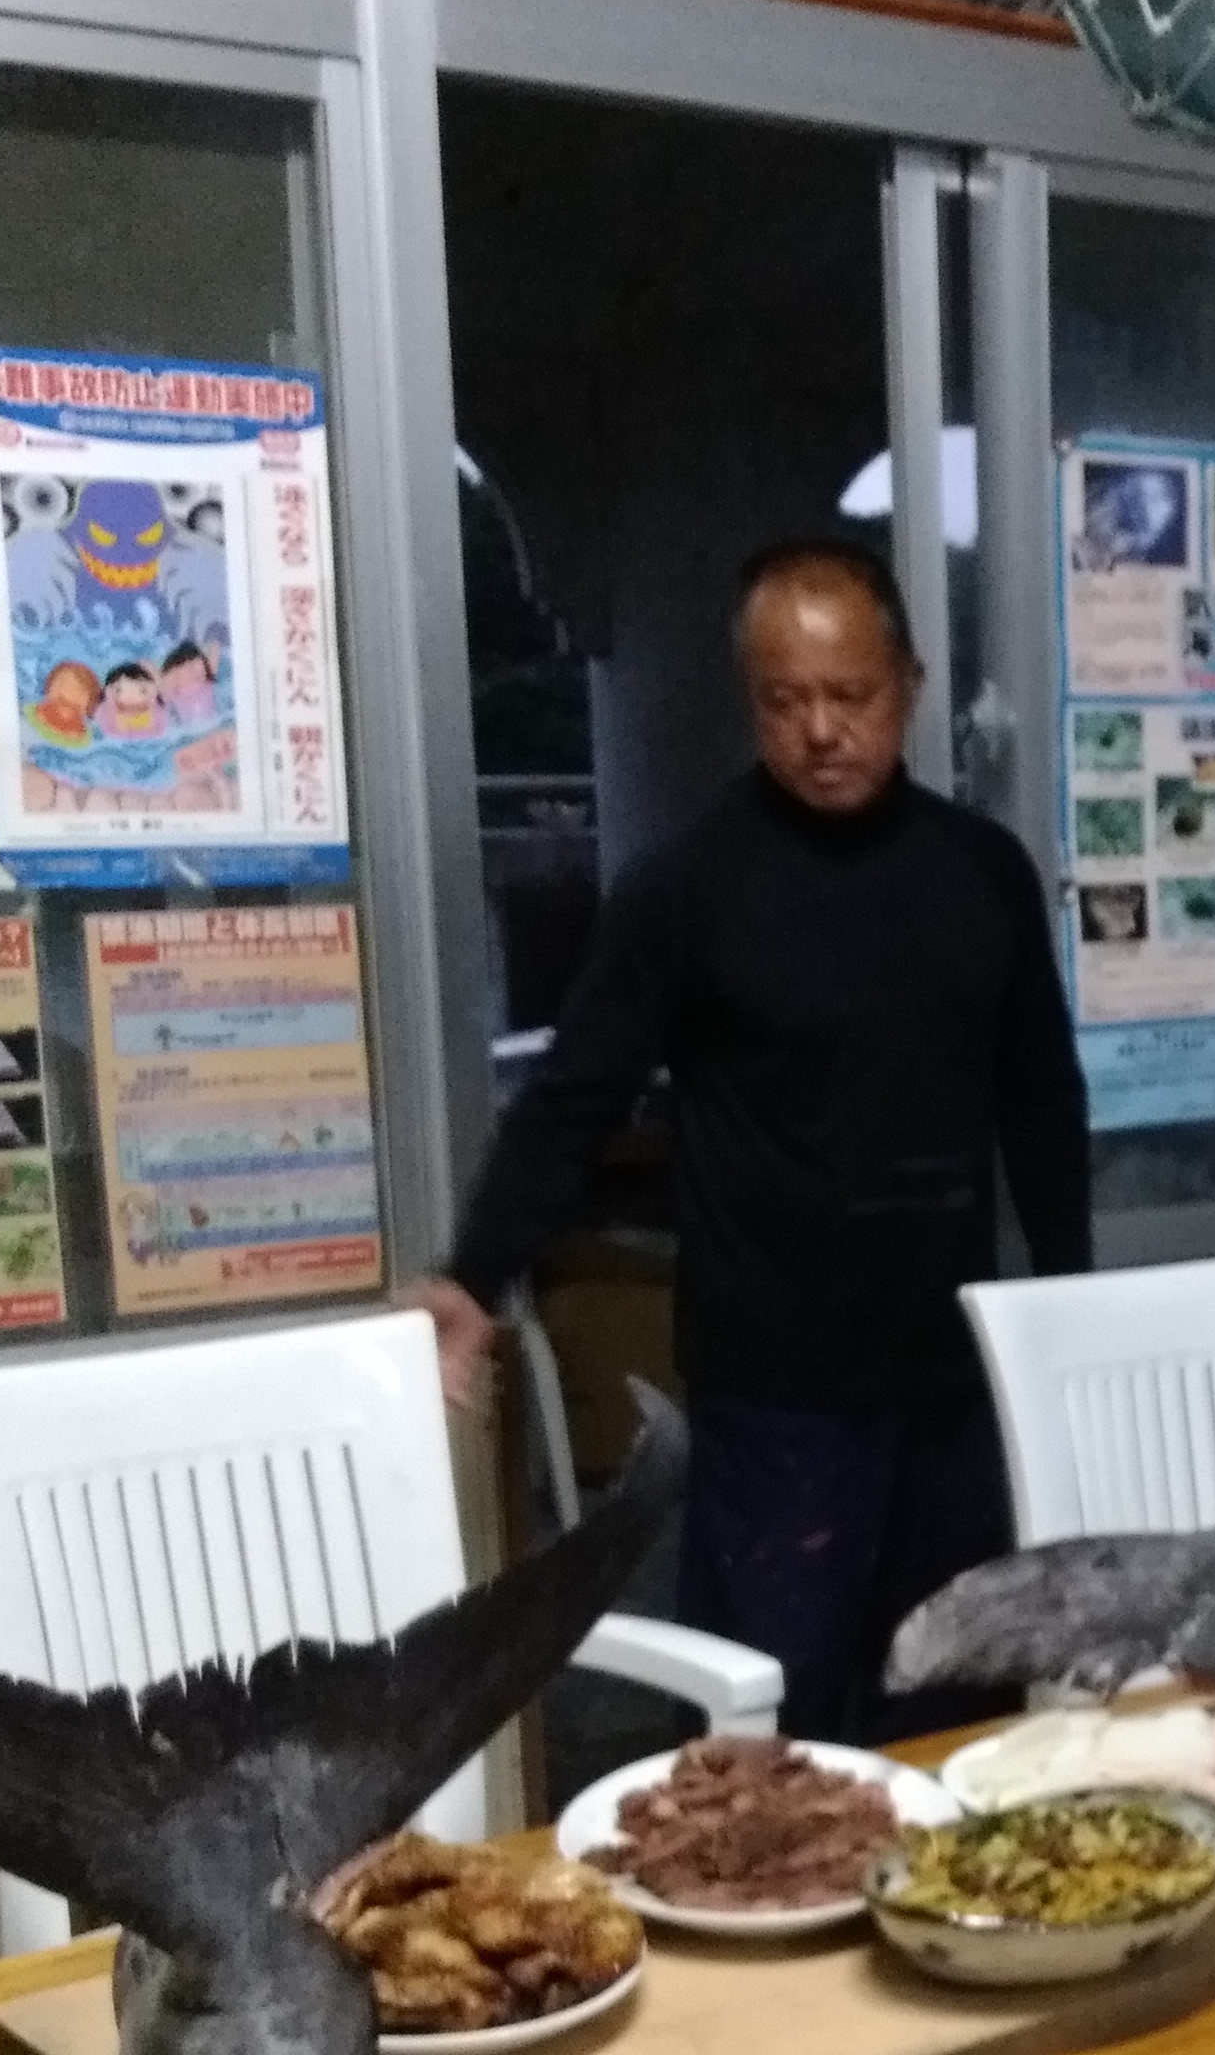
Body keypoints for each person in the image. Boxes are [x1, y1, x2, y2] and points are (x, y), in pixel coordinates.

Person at [408, 539, 1091, 1740]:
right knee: (777, 1716)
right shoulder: (689, 887)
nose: (821, 729)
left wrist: (1069, 1301)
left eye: (850, 694)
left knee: (959, 1695)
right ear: (751, 702)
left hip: (952, 1379)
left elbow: (1041, 1096)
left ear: (909, 685)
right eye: (785, 700)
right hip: (778, 1398)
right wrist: (473, 1271)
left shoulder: (983, 873)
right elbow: (575, 1093)